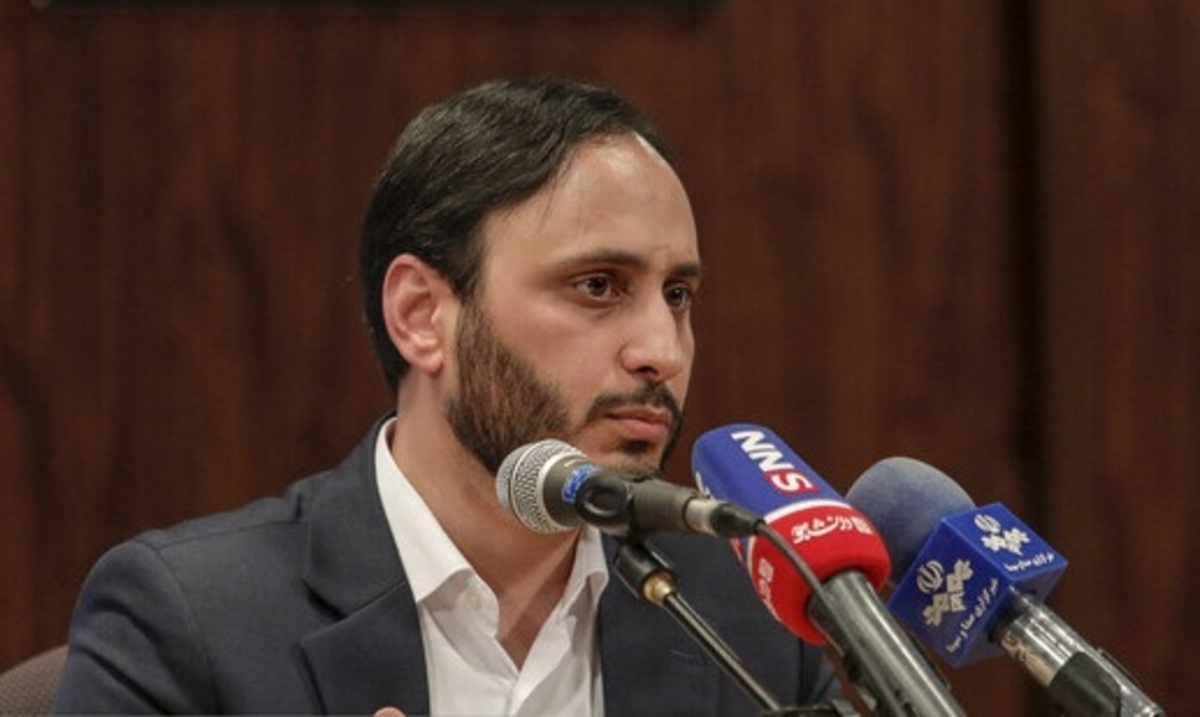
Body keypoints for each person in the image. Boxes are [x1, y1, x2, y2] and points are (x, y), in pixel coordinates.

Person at [52, 78, 839, 715]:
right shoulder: (190, 623)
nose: (661, 350)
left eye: (678, 295)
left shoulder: (755, 620)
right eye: (598, 286)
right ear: (421, 316)